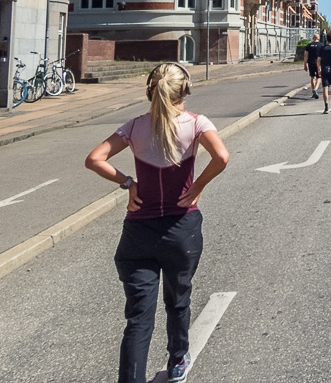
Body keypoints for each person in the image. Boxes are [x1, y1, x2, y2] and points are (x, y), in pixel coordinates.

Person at [84, 63, 229, 383]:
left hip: (138, 233)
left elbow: (94, 159)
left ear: (150, 91)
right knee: (178, 300)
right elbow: (221, 156)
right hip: (181, 229)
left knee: (138, 320)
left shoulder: (134, 127)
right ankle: (177, 362)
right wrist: (198, 186)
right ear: (186, 90)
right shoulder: (196, 124)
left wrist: (128, 184)